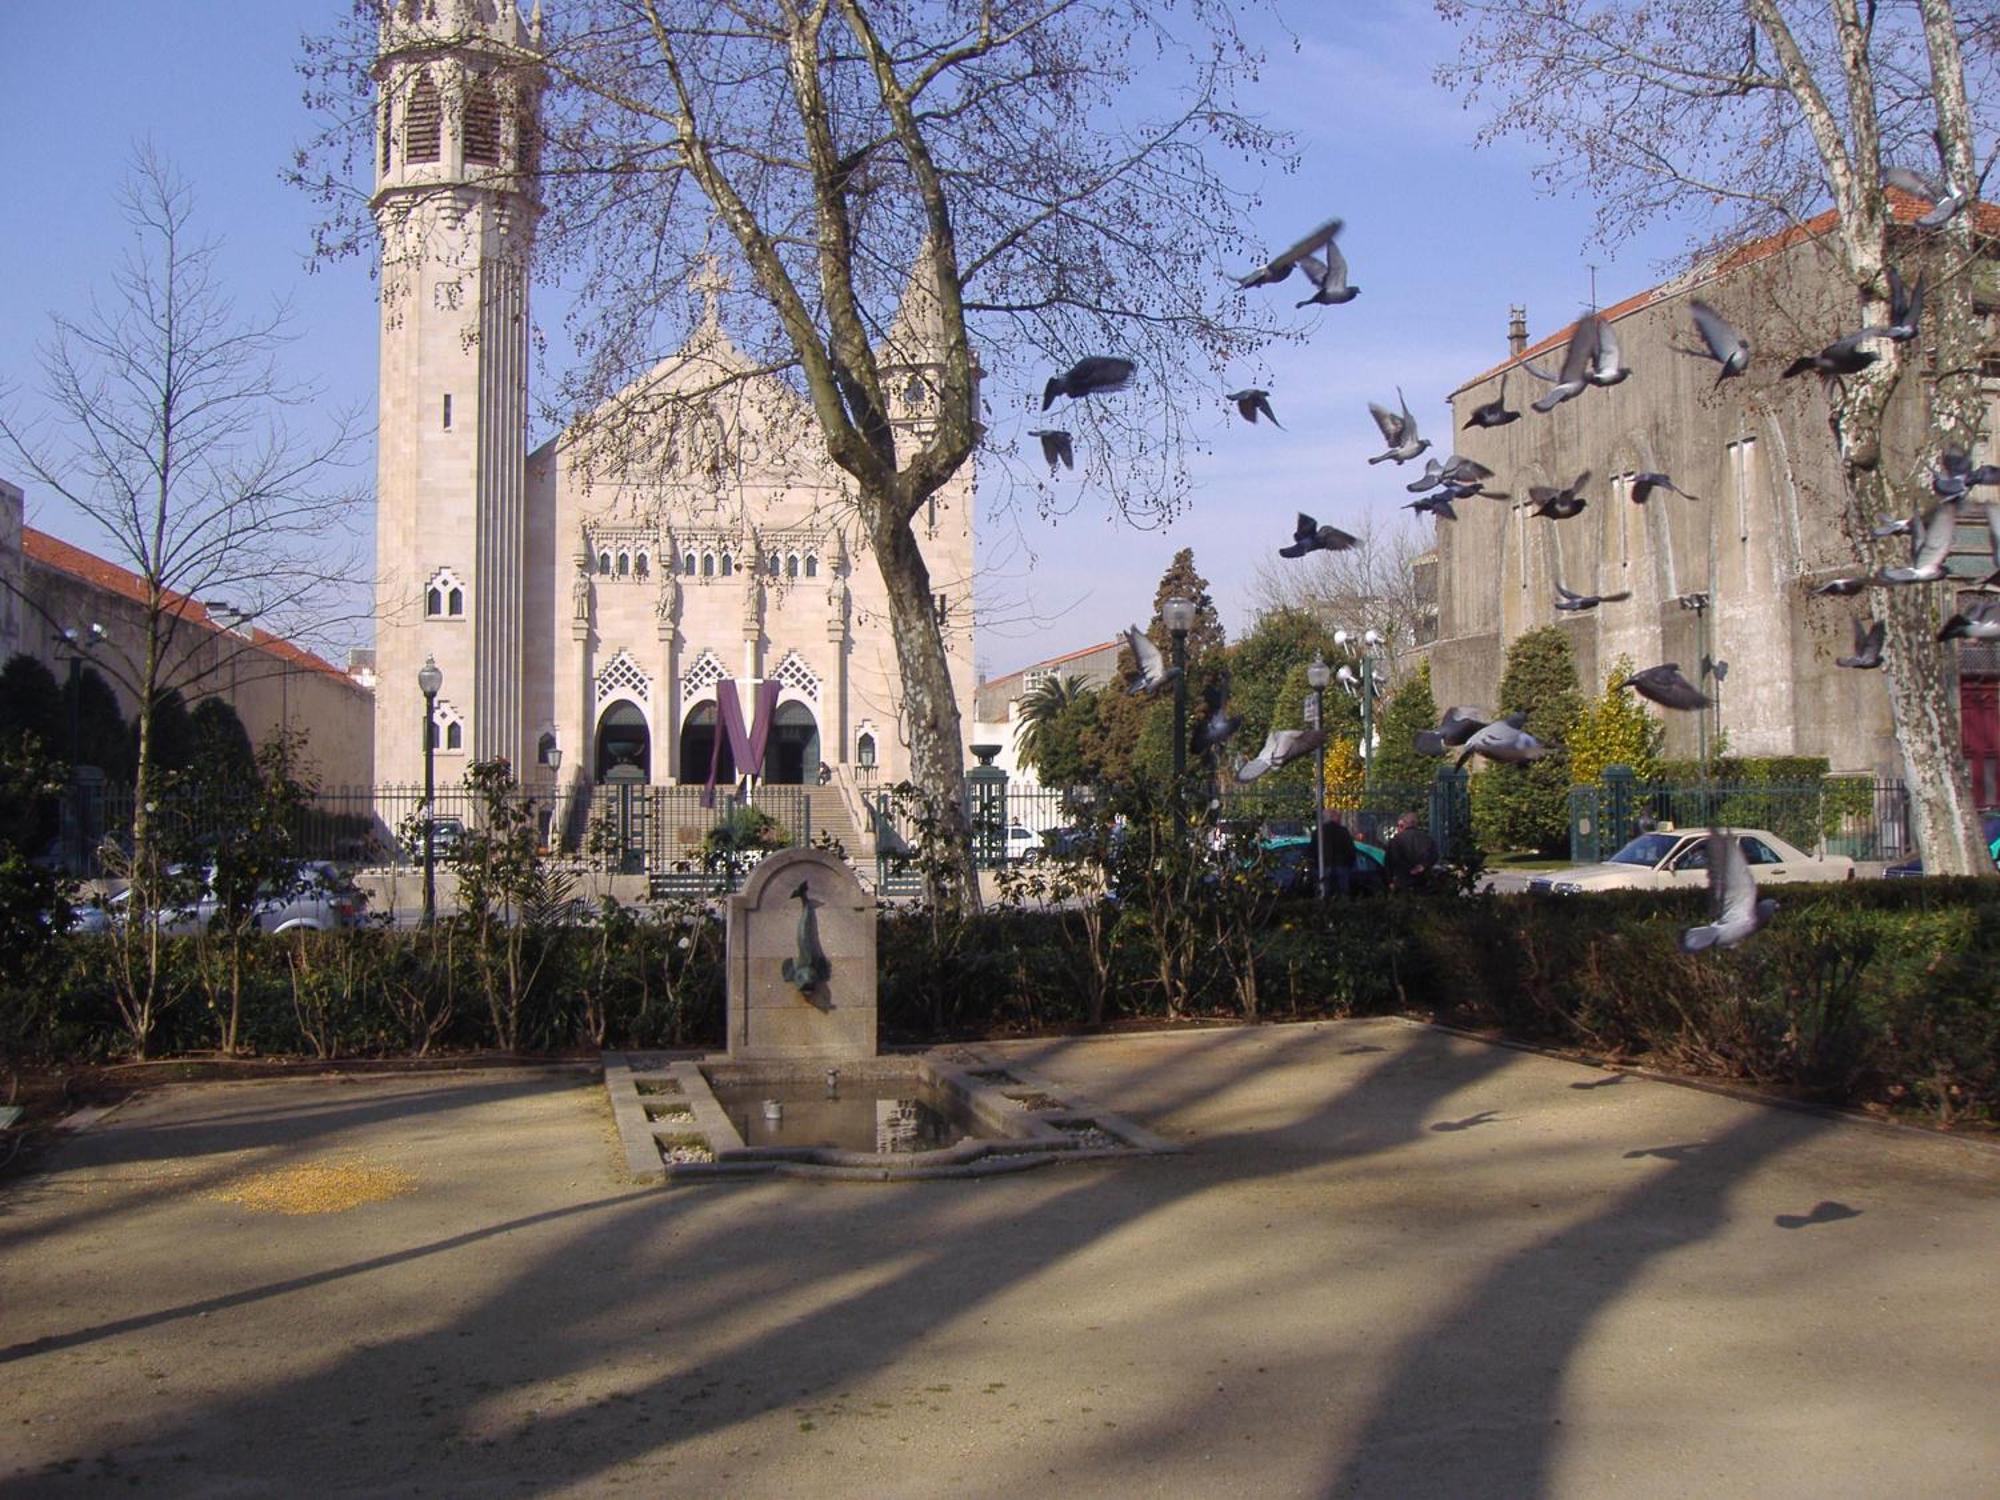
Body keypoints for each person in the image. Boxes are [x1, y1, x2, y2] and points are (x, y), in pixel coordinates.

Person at [1385, 811, 1439, 893]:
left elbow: (1390, 861)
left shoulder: (1395, 840)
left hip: (1402, 881)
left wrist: (1390, 881)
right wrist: (1422, 866)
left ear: (1404, 823)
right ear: (1416, 823)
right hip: (1423, 881)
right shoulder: (1427, 839)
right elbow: (1434, 856)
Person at [1317, 810, 1359, 898]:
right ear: (1333, 817)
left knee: (1325, 892)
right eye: (1338, 816)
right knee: (1343, 893)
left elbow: (1313, 850)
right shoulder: (1343, 831)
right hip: (1342, 866)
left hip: (1325, 866)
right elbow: (1351, 850)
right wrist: (1350, 863)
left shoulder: (1319, 832)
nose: (1339, 818)